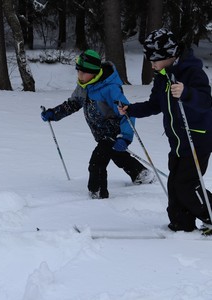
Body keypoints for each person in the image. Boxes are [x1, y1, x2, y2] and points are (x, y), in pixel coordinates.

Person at [118, 28, 212, 231]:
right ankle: (181, 224)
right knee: (175, 185)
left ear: (170, 55)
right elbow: (154, 105)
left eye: (154, 60)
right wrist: (131, 109)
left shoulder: (191, 72)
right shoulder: (163, 76)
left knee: (186, 185)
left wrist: (187, 93)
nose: (151, 65)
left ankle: (209, 215)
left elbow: (206, 101)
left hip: (197, 140)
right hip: (177, 142)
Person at [41, 49, 155, 199]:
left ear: (94, 72)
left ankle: (98, 192)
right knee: (118, 156)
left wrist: (125, 137)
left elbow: (127, 113)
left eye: (83, 72)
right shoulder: (83, 86)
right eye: (78, 72)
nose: (79, 76)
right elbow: (73, 104)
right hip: (100, 133)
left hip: (114, 132)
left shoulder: (110, 89)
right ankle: (141, 173)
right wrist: (54, 113)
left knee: (97, 161)